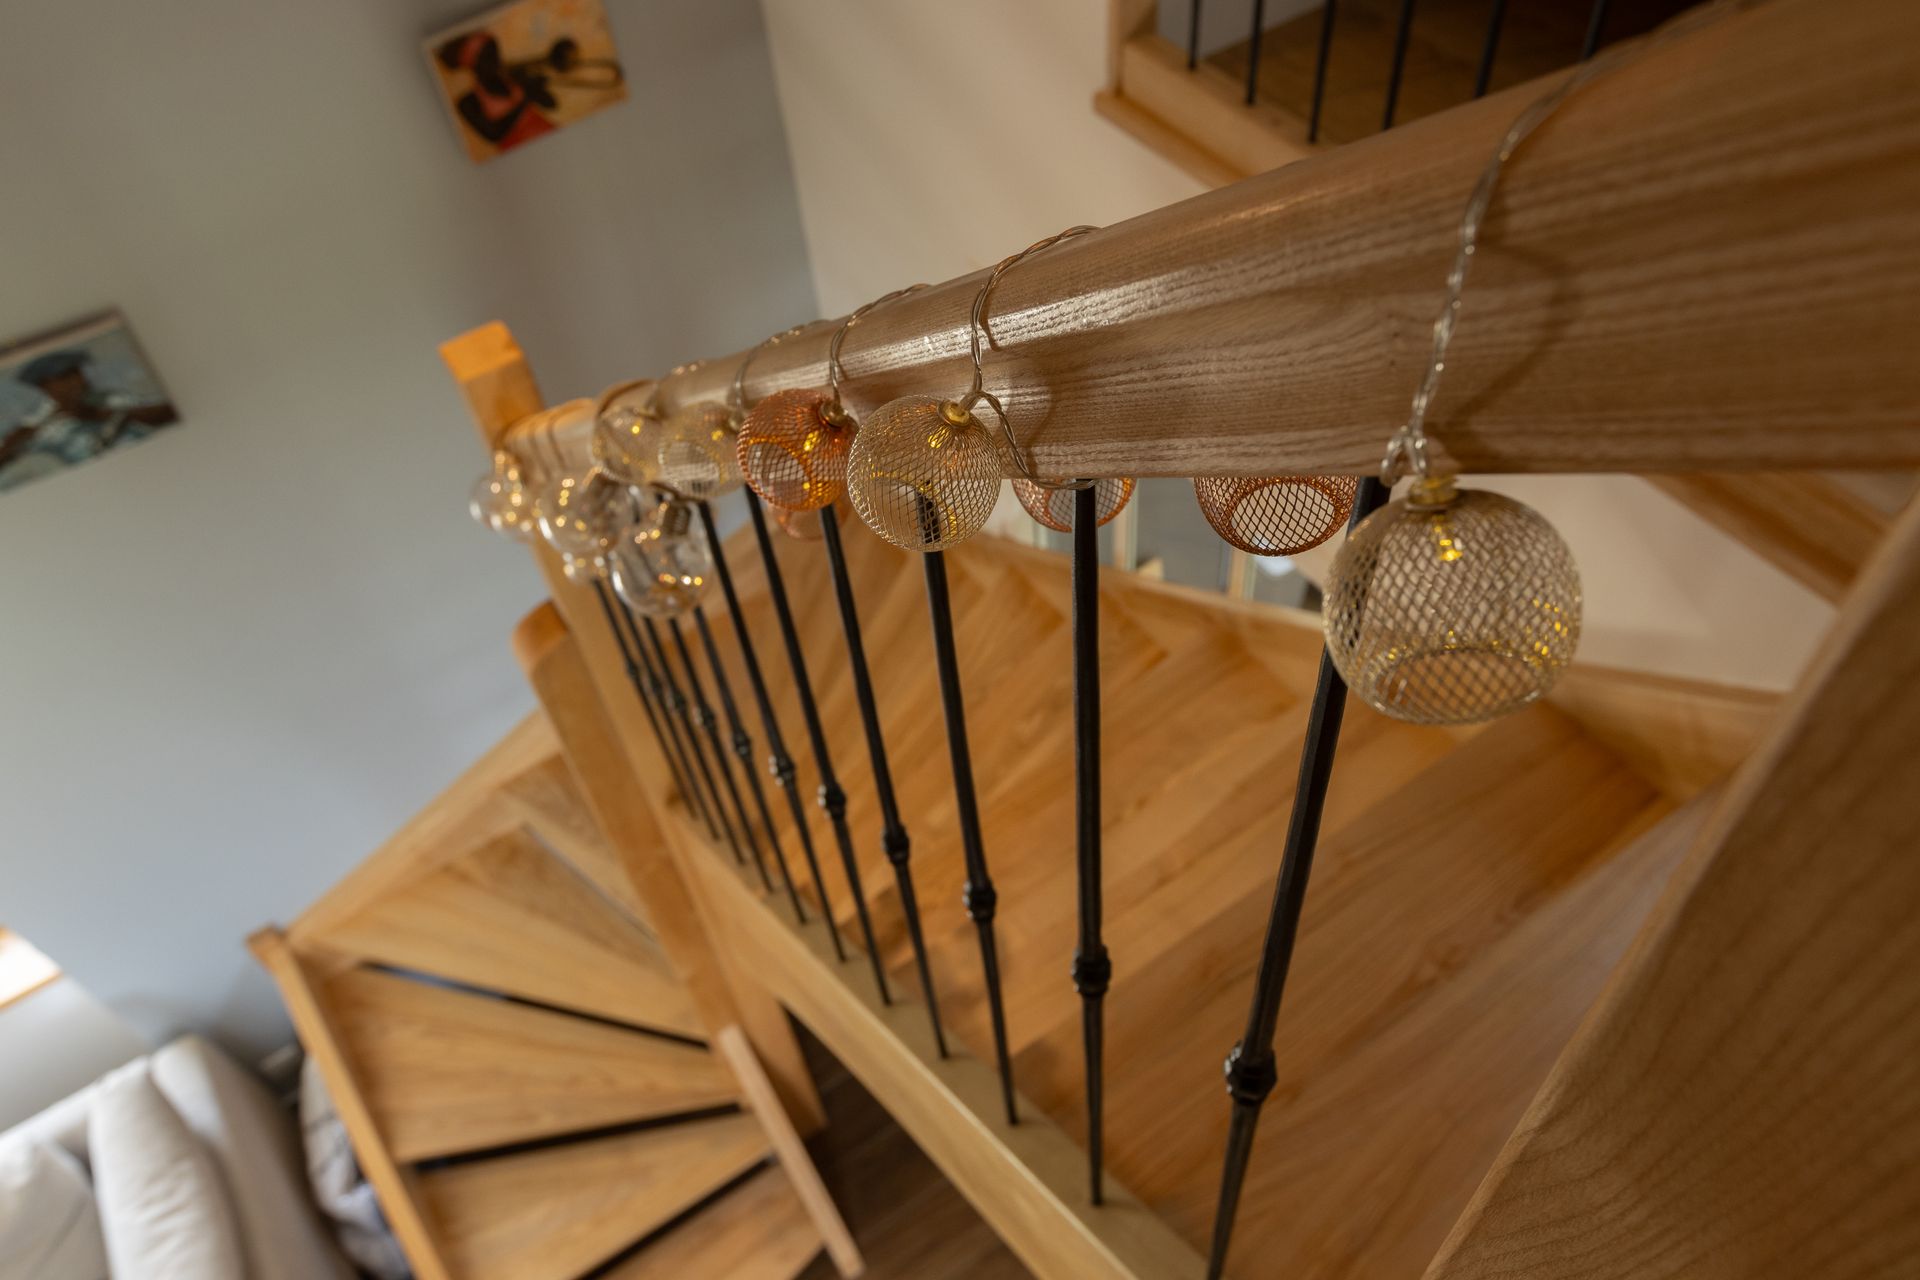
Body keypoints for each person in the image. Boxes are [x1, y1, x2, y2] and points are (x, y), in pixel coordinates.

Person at [0, 349, 177, 491]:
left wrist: (99, 414)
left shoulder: (111, 400)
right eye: (66, 376)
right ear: (45, 386)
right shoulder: (43, 426)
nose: (78, 380)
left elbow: (168, 413)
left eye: (77, 373)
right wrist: (22, 436)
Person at [437, 30, 557, 153]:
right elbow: (494, 135)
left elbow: (551, 103)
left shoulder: (512, 78)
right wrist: (520, 101)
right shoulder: (468, 103)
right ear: (463, 59)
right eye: (480, 53)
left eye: (488, 47)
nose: (490, 57)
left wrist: (531, 86)